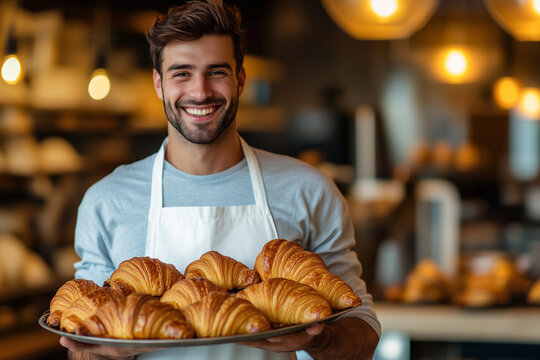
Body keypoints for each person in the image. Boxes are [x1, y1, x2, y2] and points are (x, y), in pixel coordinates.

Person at [60, 0, 380, 359]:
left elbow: (362, 331)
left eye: (216, 72)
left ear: (240, 80)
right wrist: (106, 353)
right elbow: (83, 337)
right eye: (181, 73)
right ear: (158, 83)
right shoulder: (108, 200)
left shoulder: (308, 190)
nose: (200, 92)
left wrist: (318, 340)